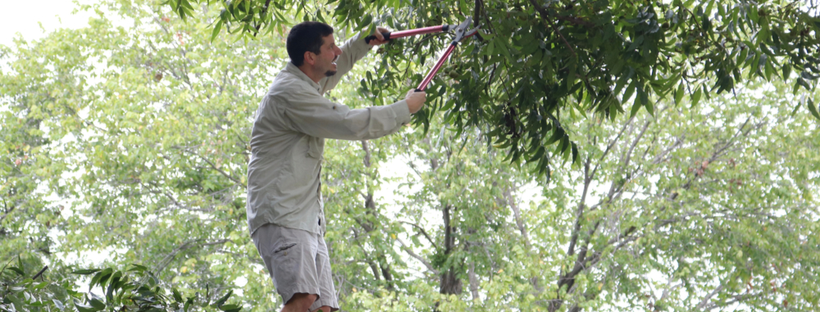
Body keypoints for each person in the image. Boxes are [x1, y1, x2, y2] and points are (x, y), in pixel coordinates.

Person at [246, 21, 426, 312]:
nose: (337, 50)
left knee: (324, 308)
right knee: (302, 300)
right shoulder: (290, 94)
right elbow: (348, 123)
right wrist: (403, 109)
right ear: (310, 57)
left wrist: (364, 42)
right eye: (331, 47)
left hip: (305, 220)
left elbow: (337, 66)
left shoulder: (306, 81)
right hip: (282, 217)